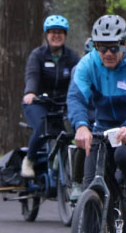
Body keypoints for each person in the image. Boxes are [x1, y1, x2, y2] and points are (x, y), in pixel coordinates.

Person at [67, 14, 126, 233]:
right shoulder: (88, 64)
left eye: (113, 47)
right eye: (101, 47)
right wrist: (80, 126)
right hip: (104, 128)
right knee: (91, 184)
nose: (107, 53)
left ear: (125, 44)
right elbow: (76, 98)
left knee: (125, 156)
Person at [20, 14, 81, 178]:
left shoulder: (72, 57)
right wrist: (30, 92)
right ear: (46, 35)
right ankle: (29, 160)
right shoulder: (38, 55)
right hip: (38, 102)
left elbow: (80, 79)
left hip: (63, 103)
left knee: (72, 129)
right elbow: (32, 76)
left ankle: (68, 166)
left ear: (65, 35)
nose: (56, 36)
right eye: (52, 32)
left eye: (60, 32)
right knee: (42, 128)